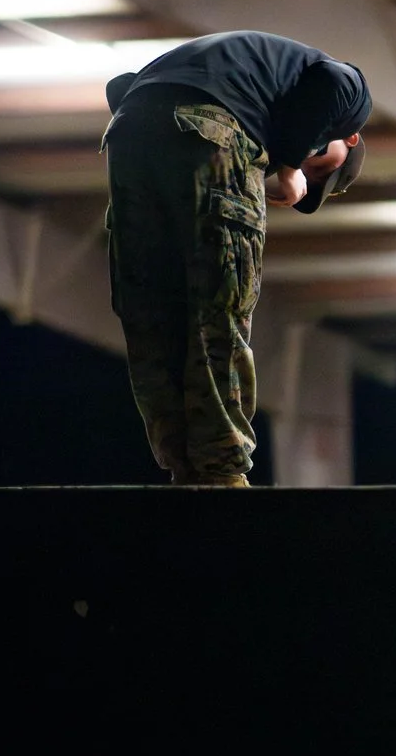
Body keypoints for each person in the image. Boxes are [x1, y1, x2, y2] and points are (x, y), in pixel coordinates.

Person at [101, 31, 372, 486]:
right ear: (350, 135)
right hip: (215, 129)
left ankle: (184, 467)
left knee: (150, 311)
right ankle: (221, 472)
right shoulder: (352, 99)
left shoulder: (246, 71)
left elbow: (121, 86)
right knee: (218, 309)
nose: (308, 170)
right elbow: (333, 80)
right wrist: (287, 166)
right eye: (320, 165)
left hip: (129, 131)